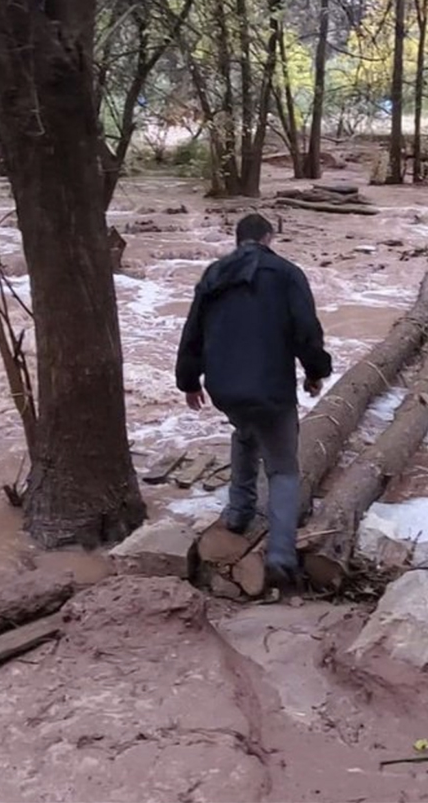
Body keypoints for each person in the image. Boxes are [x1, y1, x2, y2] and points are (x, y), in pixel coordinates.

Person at [175, 213, 332, 587]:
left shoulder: (214, 273)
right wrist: (315, 372)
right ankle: (280, 556)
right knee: (282, 468)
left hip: (224, 387)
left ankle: (238, 514)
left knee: (245, 432)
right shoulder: (287, 273)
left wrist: (188, 381)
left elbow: (192, 330)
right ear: (269, 238)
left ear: (237, 239)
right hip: (271, 388)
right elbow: (305, 330)